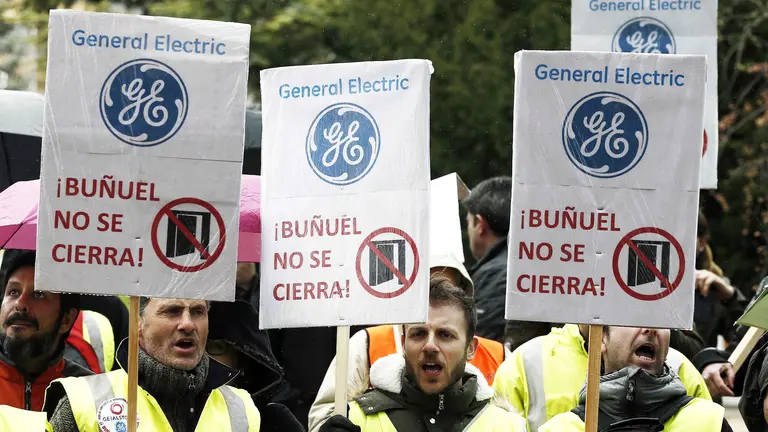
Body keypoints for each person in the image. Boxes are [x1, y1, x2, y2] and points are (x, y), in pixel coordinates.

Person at [307, 258, 508, 432]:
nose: (430, 346)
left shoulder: (509, 424)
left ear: (471, 347)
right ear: (402, 341)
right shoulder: (356, 418)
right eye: (419, 333)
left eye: (445, 335)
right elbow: (324, 413)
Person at [44, 297, 261, 431]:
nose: (187, 324)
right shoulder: (83, 402)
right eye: (172, 311)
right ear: (138, 325)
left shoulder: (240, 408)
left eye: (197, 312)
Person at [493, 323, 711, 431]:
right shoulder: (526, 362)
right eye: (632, 315)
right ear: (603, 340)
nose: (651, 327)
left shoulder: (709, 418)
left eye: (659, 317)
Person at [463, 176, 551, 347]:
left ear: (480, 225)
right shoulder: (533, 266)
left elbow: (482, 347)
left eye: (468, 223)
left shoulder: (495, 276)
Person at [0, 250, 91, 411]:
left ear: (66, 319)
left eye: (38, 294)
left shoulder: (89, 394)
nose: (20, 304)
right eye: (13, 292)